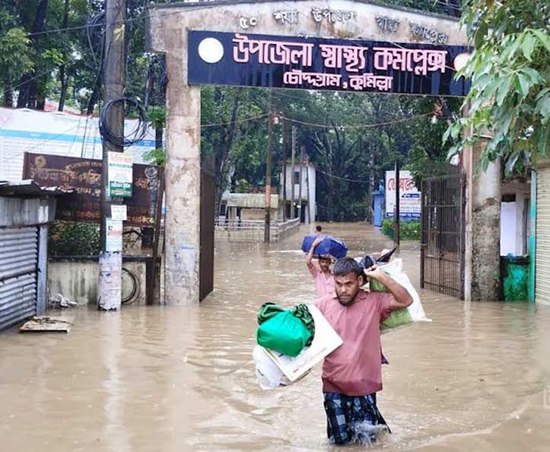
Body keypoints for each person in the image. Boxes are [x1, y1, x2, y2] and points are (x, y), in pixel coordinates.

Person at [316, 257, 413, 446]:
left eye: (349, 284)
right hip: (333, 387)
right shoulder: (323, 304)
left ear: (359, 281)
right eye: (339, 284)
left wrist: (381, 276)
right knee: (338, 445)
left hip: (365, 388)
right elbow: (305, 339)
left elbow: (406, 300)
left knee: (366, 444)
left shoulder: (375, 302)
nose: (343, 290)